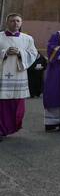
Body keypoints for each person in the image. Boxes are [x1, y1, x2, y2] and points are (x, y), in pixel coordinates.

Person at [0, 13, 38, 141]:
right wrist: (4, 53)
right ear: (7, 22)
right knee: (2, 104)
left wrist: (20, 53)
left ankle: (12, 126)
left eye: (18, 21)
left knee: (17, 104)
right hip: (2, 76)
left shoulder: (27, 38)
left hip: (19, 75)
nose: (15, 23)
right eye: (12, 21)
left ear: (21, 23)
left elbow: (33, 54)